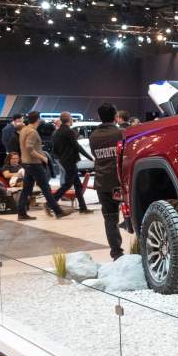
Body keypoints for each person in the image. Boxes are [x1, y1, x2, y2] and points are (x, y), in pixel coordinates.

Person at [89, 104, 125, 259]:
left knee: (110, 218)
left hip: (102, 183)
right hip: (119, 182)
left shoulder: (93, 136)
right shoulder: (120, 133)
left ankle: (116, 252)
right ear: (115, 116)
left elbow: (95, 155)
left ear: (99, 117)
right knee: (133, 214)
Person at [17, 112, 67, 221]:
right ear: (38, 119)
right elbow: (29, 148)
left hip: (27, 163)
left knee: (26, 189)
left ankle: (21, 213)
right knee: (45, 188)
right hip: (34, 163)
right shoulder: (32, 132)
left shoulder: (24, 130)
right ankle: (58, 211)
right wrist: (42, 157)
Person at [51, 112, 94, 213]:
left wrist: (61, 158)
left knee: (77, 185)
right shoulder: (69, 132)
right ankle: (50, 203)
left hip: (65, 161)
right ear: (69, 119)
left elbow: (55, 150)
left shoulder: (56, 132)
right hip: (70, 161)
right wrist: (90, 157)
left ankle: (83, 208)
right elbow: (77, 146)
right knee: (67, 184)